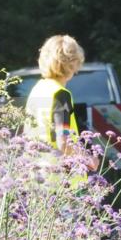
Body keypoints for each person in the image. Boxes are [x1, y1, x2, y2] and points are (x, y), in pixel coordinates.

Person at [23, 34, 95, 169]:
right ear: (73, 64)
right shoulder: (61, 94)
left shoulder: (37, 90)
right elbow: (64, 142)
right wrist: (89, 158)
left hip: (36, 174)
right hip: (60, 180)